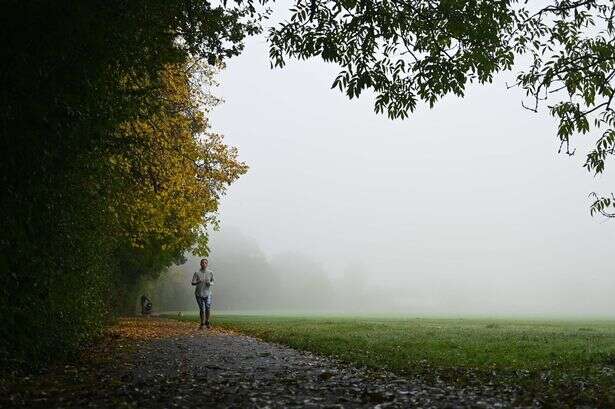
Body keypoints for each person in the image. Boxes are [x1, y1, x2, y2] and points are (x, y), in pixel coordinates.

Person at [191, 258, 214, 329]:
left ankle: (207, 321)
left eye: (205, 263)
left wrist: (209, 283)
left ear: (207, 264)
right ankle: (202, 323)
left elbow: (213, 282)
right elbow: (192, 283)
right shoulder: (196, 273)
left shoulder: (210, 272)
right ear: (200, 264)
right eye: (203, 263)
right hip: (199, 294)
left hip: (208, 293)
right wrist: (198, 282)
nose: (204, 264)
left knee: (208, 307)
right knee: (202, 309)